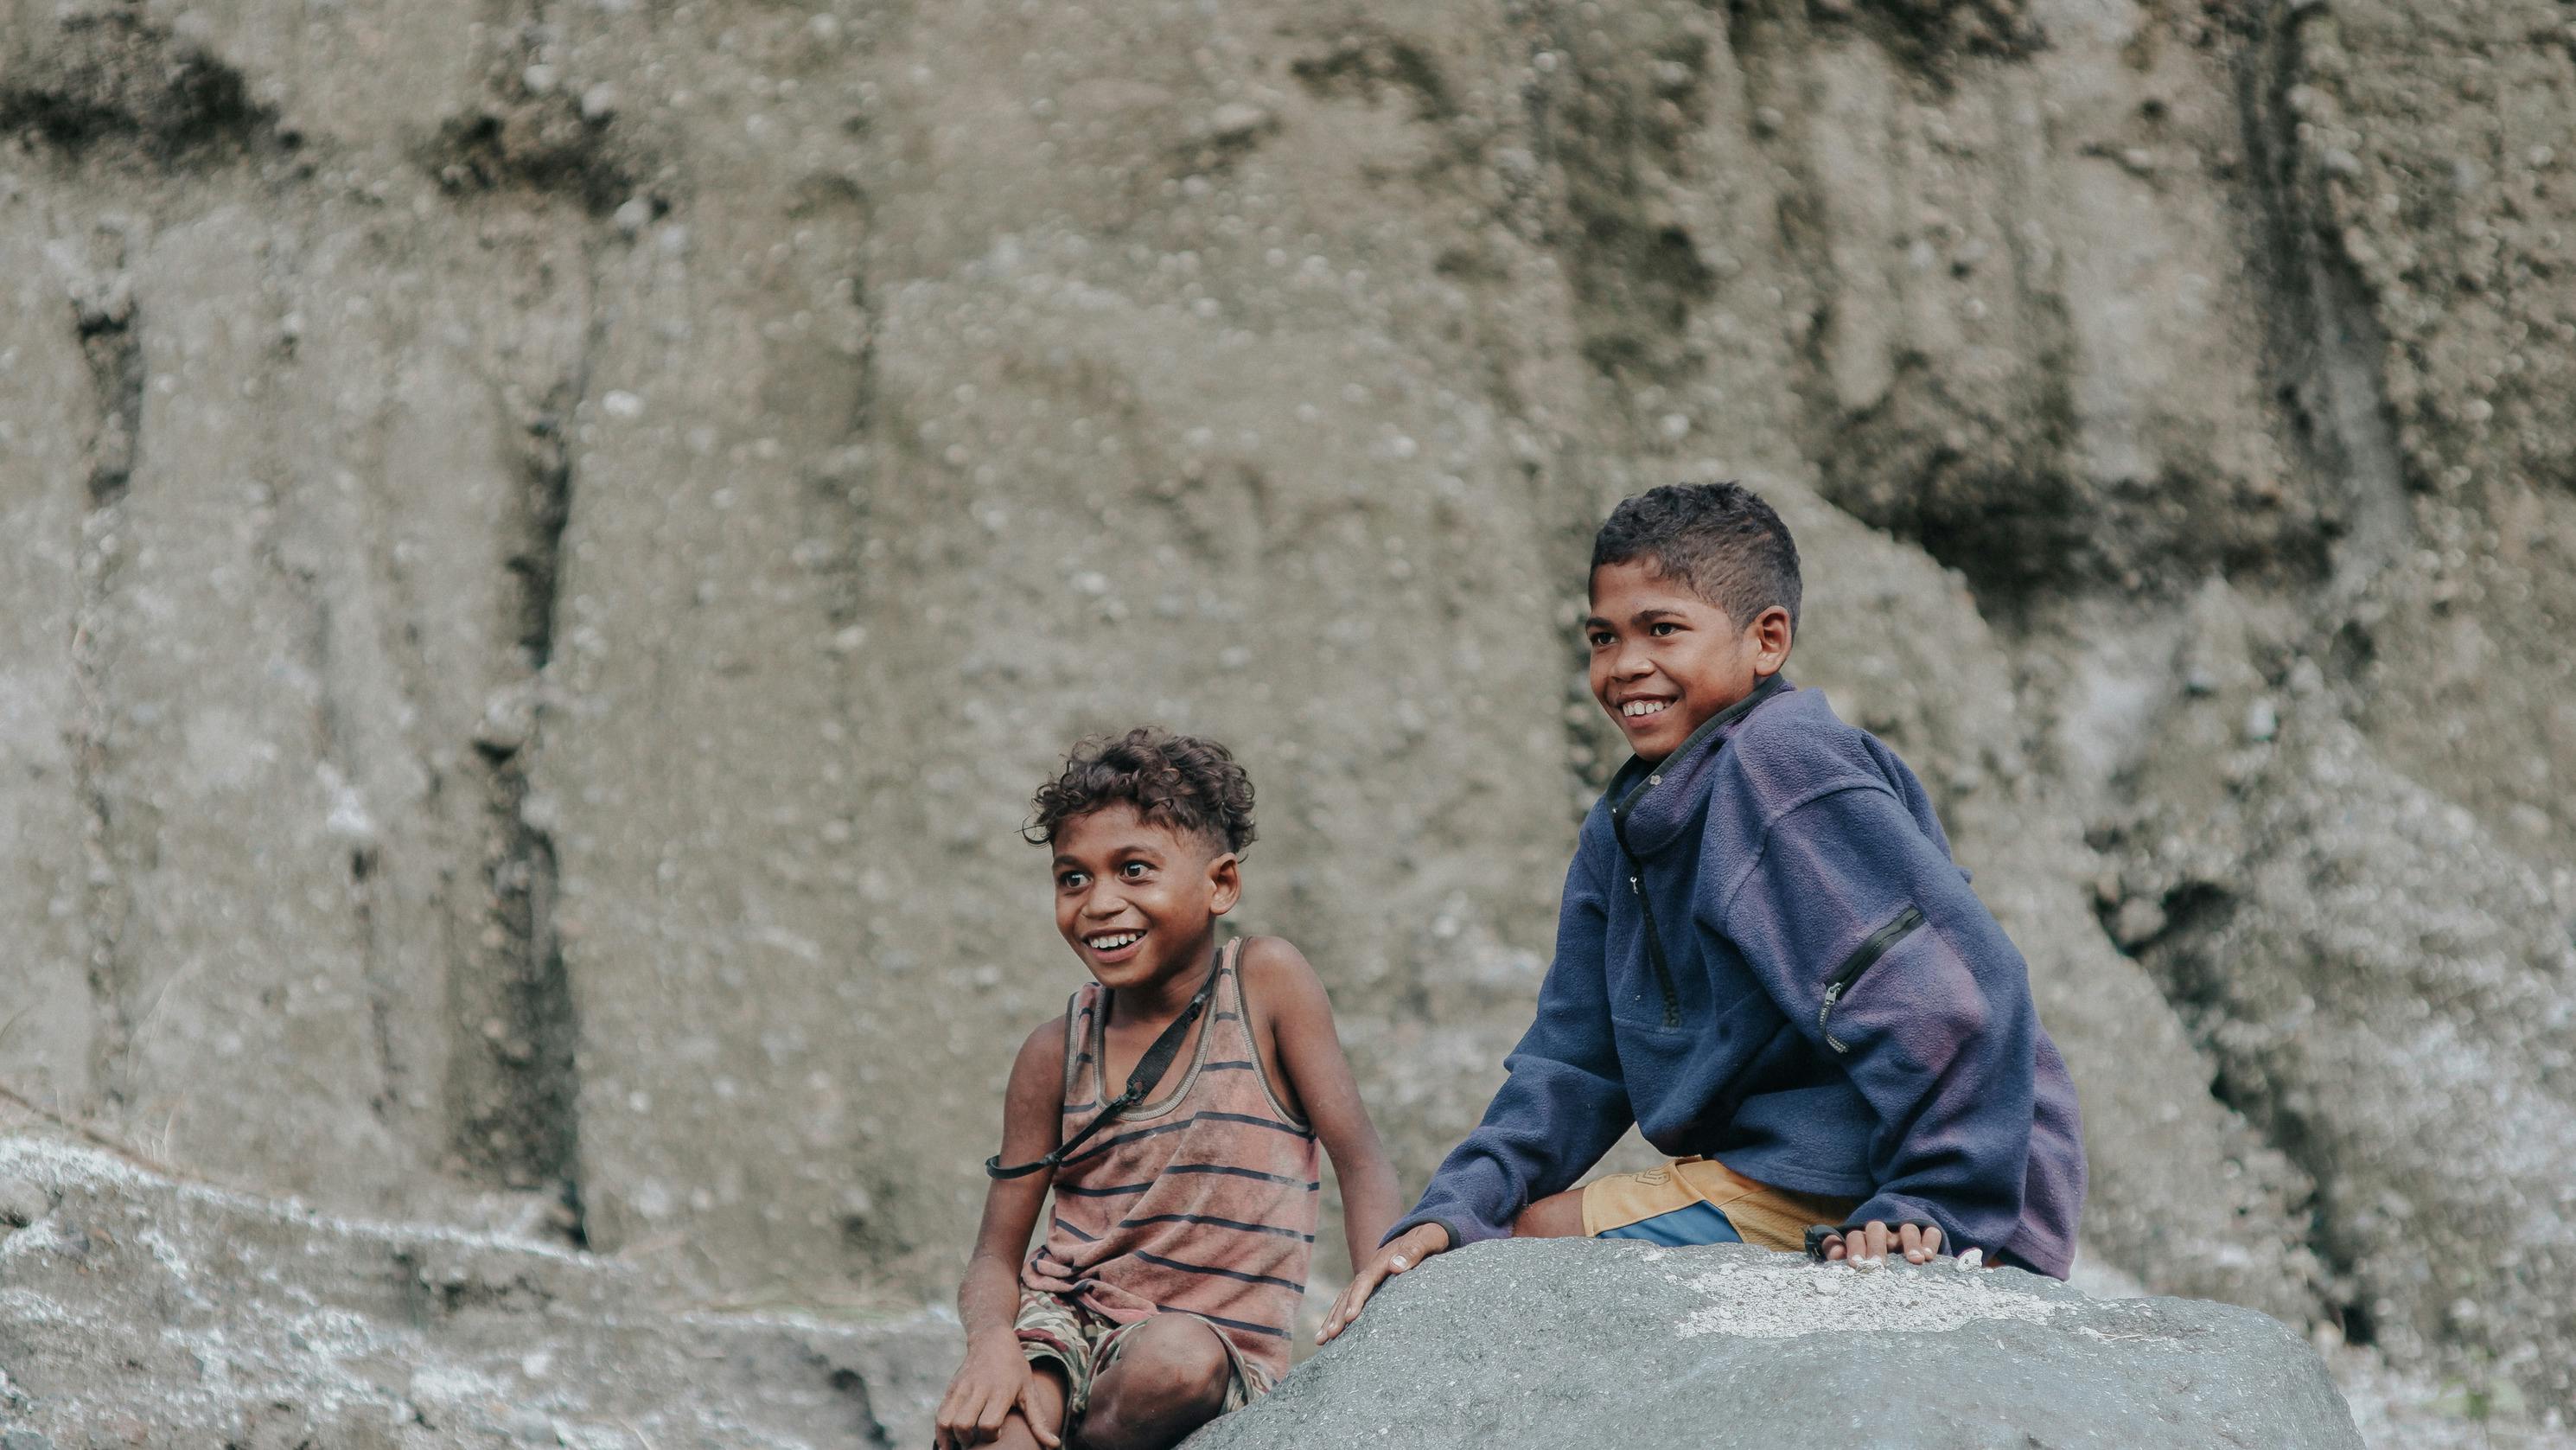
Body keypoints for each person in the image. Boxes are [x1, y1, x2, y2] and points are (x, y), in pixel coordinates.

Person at [1319, 482, 2086, 1345]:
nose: (1624, 666)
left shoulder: (1782, 766)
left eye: (1663, 630)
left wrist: (1931, 1204)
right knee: (1491, 1240)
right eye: (1602, 638)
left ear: (1766, 640)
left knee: (1524, 1249)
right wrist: (1454, 1208)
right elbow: (1574, 1063)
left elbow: (1954, 1000)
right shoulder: (1625, 829)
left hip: (1926, 1185)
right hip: (1787, 1170)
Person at [935, 728, 1400, 1450]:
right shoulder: (1053, 1051)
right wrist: (992, 1342)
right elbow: (995, 1254)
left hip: (1213, 1347)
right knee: (992, 1431)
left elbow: (1361, 1157)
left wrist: (1383, 1320)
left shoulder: (1265, 986)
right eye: (1073, 877)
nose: (1098, 902)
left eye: (1134, 869)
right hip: (1065, 1326)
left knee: (1173, 1363)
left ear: (1220, 884)